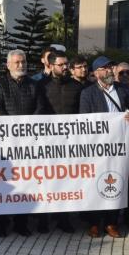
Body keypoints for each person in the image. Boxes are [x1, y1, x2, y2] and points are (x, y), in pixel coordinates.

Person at [0, 49, 46, 237]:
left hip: (28, 144)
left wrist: (28, 127)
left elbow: (40, 108)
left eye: (23, 62)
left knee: (25, 183)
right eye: (17, 63)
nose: (21, 65)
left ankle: (21, 223)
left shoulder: (34, 84)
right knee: (3, 184)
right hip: (6, 144)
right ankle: (1, 223)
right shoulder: (1, 85)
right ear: (8, 65)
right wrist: (12, 127)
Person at [79, 56, 129, 239]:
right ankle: (94, 223)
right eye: (104, 68)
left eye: (110, 67)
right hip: (98, 147)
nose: (109, 71)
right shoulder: (88, 93)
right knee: (96, 183)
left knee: (116, 182)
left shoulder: (124, 90)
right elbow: (84, 121)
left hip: (118, 147)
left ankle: (112, 222)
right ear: (96, 73)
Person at [41, 51, 81, 234]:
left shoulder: (76, 86)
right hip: (46, 143)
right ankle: (44, 219)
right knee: (44, 180)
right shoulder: (41, 86)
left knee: (66, 180)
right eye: (61, 65)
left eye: (66, 64)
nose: (65, 67)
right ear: (50, 66)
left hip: (70, 143)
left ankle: (64, 219)